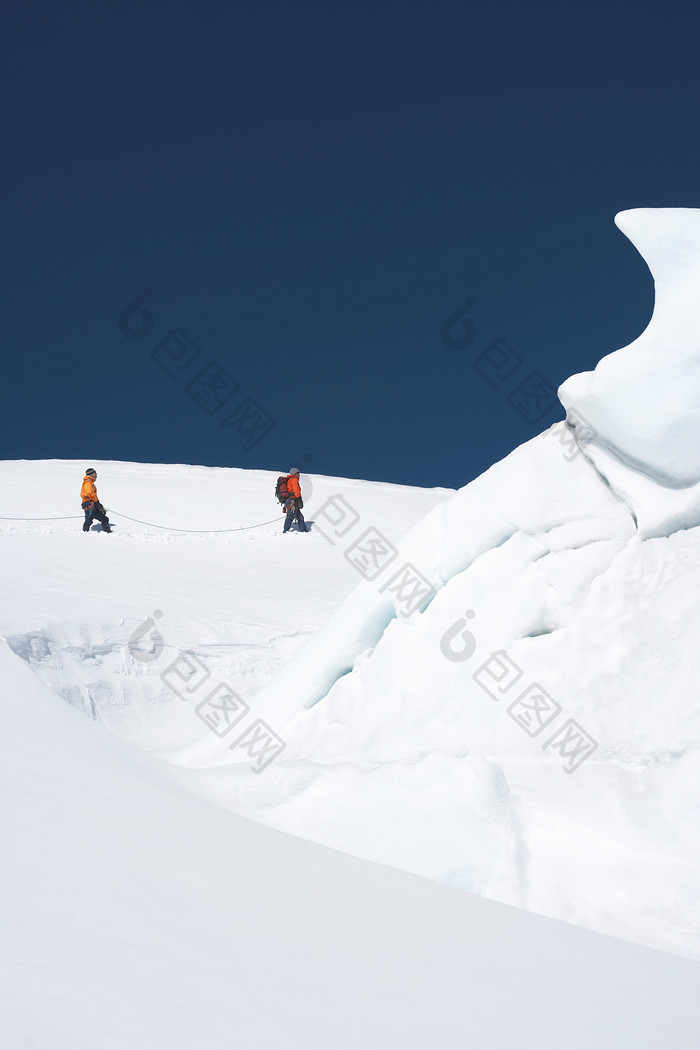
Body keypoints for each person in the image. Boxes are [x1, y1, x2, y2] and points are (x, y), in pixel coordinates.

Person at [81, 468, 112, 533]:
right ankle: (84, 534)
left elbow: (93, 495)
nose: (96, 474)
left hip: (93, 503)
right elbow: (90, 493)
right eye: (95, 473)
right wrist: (97, 502)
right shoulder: (88, 482)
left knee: (105, 519)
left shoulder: (91, 482)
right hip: (88, 503)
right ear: (91, 474)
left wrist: (98, 505)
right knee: (89, 519)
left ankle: (108, 533)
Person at [283, 467, 307, 533]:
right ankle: (285, 531)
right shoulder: (294, 479)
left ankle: (304, 531)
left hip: (290, 500)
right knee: (290, 516)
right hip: (292, 501)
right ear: (294, 474)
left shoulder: (289, 480)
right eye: (298, 473)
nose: (299, 475)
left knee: (299, 517)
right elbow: (296, 490)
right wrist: (299, 499)